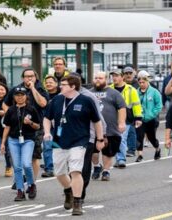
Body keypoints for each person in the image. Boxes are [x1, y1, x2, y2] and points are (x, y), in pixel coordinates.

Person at [44, 75, 104, 216]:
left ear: (72, 87)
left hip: (79, 141)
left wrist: (100, 139)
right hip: (59, 141)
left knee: (75, 171)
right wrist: (47, 132)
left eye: (63, 84)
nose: (60, 87)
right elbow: (47, 118)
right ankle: (68, 190)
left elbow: (97, 121)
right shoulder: (56, 100)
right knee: (58, 173)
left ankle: (77, 202)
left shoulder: (86, 100)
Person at [4, 68, 48, 185]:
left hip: (35, 127)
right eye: (26, 76)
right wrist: (12, 114)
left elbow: (43, 103)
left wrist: (32, 88)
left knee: (34, 156)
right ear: (23, 78)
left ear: (35, 77)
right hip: (17, 128)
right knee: (17, 156)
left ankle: (31, 183)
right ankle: (18, 180)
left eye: (31, 76)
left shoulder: (40, 89)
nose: (29, 78)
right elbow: (5, 103)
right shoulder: (16, 89)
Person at [1, 87, 41, 201]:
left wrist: (30, 122)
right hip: (13, 140)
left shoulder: (31, 109)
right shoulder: (11, 110)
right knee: (17, 167)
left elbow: (38, 126)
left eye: (22, 95)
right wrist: (3, 143)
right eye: (17, 95)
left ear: (26, 96)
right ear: (14, 97)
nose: (19, 97)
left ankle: (31, 185)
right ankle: (20, 191)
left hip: (28, 139)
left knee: (26, 164)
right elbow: (7, 126)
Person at [90, 72, 126, 181]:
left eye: (100, 78)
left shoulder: (114, 93)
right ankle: (96, 166)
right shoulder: (89, 93)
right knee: (93, 151)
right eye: (96, 78)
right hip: (93, 128)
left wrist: (121, 122)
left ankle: (106, 171)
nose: (97, 80)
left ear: (106, 79)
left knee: (108, 151)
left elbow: (122, 108)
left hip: (110, 128)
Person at [110, 70, 142, 168]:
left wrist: (138, 118)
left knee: (122, 138)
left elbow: (136, 104)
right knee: (114, 140)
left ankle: (121, 159)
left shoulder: (130, 89)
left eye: (116, 75)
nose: (114, 78)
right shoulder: (109, 89)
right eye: (113, 76)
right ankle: (118, 158)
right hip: (112, 118)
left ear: (122, 77)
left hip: (126, 119)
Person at [135, 71, 163, 162]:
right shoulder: (136, 92)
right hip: (140, 119)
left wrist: (151, 114)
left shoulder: (154, 92)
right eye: (140, 82)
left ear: (147, 82)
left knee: (152, 138)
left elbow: (159, 105)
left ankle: (157, 149)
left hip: (151, 119)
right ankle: (140, 155)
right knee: (139, 136)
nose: (142, 84)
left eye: (144, 82)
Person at [41, 75, 60, 177]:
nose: (48, 84)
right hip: (47, 126)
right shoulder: (44, 95)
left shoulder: (62, 94)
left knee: (59, 147)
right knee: (47, 147)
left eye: (50, 82)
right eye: (46, 82)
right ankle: (49, 168)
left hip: (60, 126)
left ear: (56, 84)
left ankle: (62, 166)